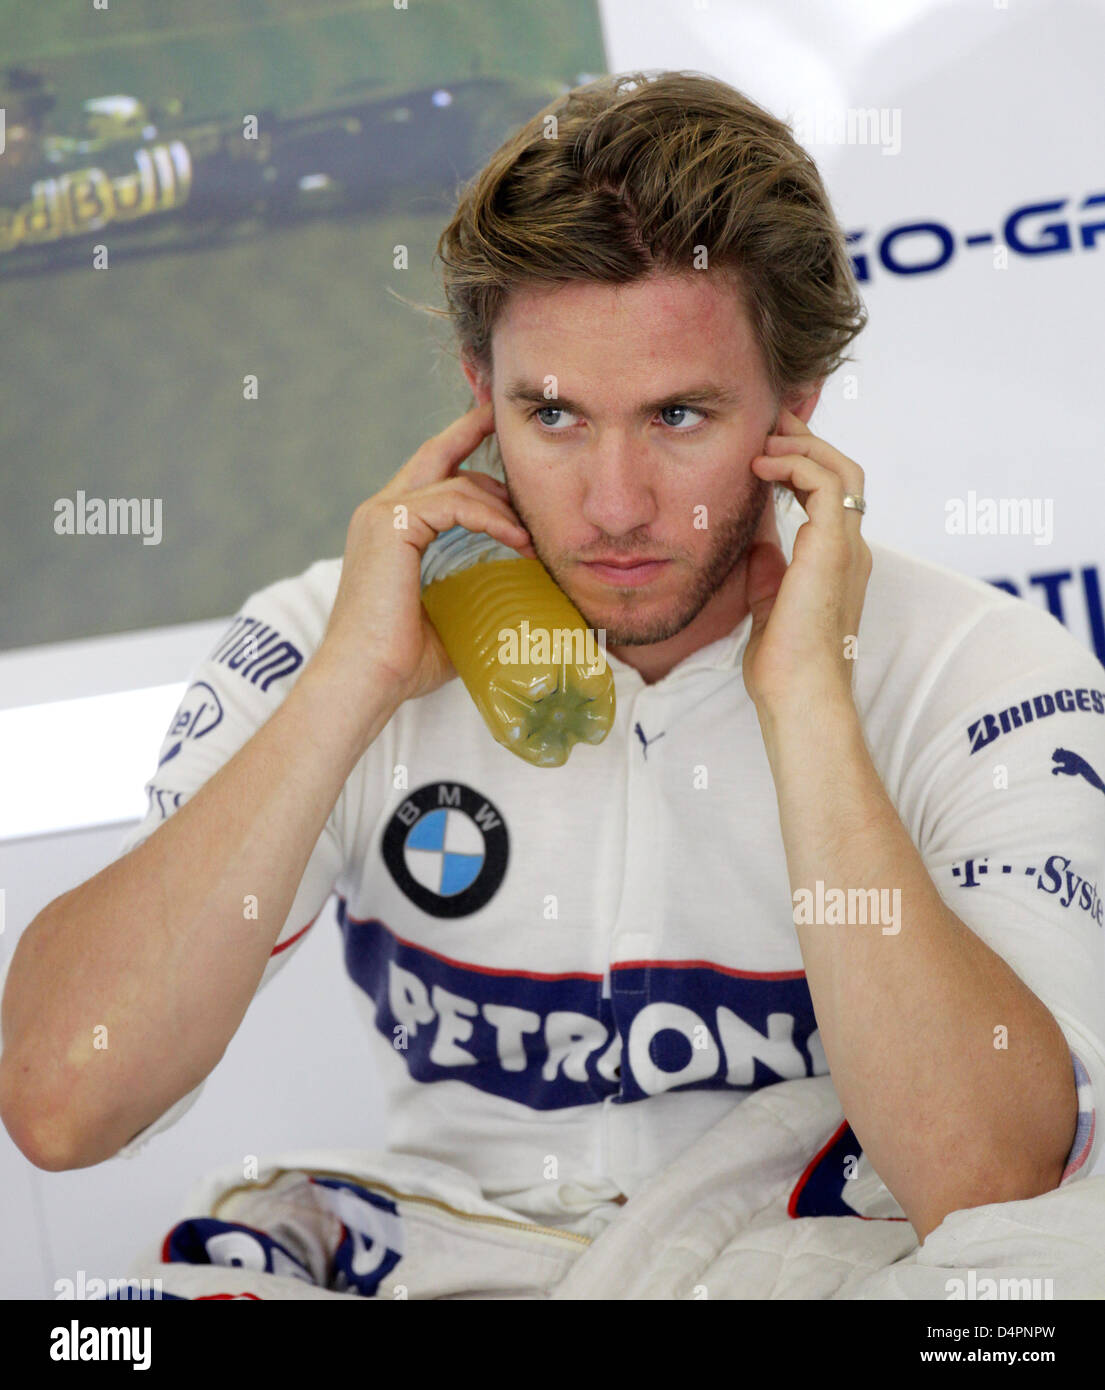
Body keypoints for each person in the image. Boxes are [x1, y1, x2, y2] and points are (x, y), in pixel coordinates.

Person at [3, 71, 1103, 1257]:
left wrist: (806, 707)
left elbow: (990, 1181)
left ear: (796, 407)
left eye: (678, 416)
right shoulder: (339, 636)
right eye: (555, 416)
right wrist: (347, 689)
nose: (616, 505)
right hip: (444, 1270)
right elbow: (62, 1102)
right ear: (480, 400)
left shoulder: (983, 676)